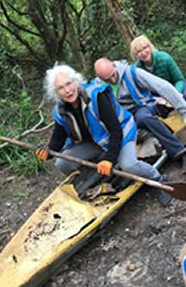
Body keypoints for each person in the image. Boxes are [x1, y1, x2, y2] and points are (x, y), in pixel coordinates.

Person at [35, 63, 172, 206]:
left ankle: (159, 179)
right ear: (56, 93)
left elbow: (115, 130)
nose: (67, 90)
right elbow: (58, 139)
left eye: (69, 84)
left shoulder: (96, 96)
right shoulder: (61, 110)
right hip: (97, 141)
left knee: (129, 165)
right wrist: (48, 152)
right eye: (61, 88)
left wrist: (109, 159)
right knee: (62, 163)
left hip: (121, 131)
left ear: (75, 82)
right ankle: (94, 178)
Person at [93, 57, 186, 173]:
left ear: (114, 65)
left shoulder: (132, 72)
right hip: (122, 116)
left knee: (143, 118)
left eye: (113, 75)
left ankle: (181, 153)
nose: (113, 81)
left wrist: (185, 112)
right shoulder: (97, 87)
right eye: (107, 79)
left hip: (141, 107)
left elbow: (163, 87)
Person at [129, 35, 186, 135]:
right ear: (135, 55)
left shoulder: (164, 58)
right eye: (139, 52)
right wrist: (156, 99)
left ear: (150, 47)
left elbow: (179, 79)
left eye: (144, 48)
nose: (143, 53)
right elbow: (141, 93)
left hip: (175, 85)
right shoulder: (136, 70)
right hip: (158, 96)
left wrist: (176, 93)